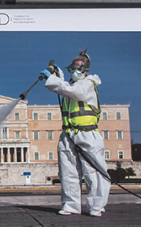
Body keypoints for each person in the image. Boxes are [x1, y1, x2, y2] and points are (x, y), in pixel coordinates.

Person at [43, 50, 109, 217]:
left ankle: (96, 206)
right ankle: (70, 205)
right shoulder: (72, 85)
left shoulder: (89, 84)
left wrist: (54, 79)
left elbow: (75, 92)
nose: (74, 70)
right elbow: (69, 89)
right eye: (72, 67)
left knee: (92, 172)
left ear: (85, 70)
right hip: (68, 134)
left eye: (77, 67)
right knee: (68, 172)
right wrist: (60, 78)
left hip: (88, 134)